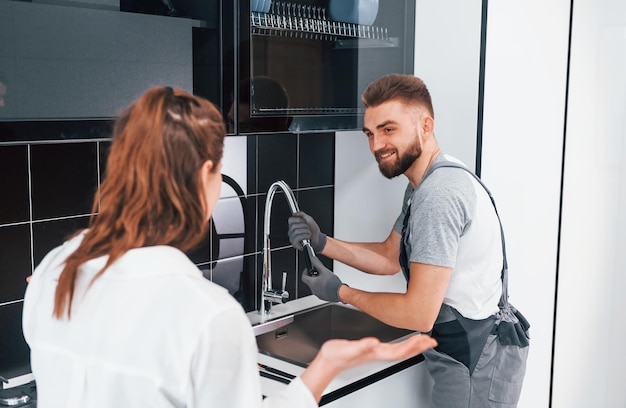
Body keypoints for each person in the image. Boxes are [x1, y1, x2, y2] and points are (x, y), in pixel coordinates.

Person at [22, 86, 437, 408]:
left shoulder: (53, 273)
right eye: (219, 168)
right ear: (205, 173)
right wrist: (326, 367)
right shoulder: (206, 315)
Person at [288, 74, 530, 407]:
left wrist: (339, 292)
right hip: (469, 355)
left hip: (474, 366)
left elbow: (418, 314)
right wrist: (323, 243)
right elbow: (389, 256)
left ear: (426, 126)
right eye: (370, 134)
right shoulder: (427, 181)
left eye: (389, 130)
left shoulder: (438, 195)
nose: (376, 146)